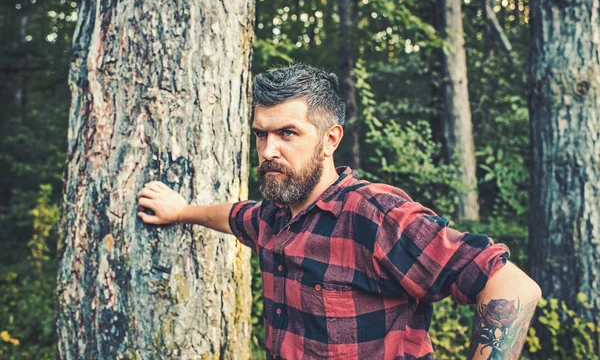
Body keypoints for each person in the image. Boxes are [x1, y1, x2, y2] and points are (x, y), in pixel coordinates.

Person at [137, 64, 541, 359]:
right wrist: (181, 211)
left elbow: (512, 287)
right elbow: (232, 215)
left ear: (330, 140)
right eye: (261, 134)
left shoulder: (376, 215)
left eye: (287, 133)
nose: (268, 150)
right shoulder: (275, 217)